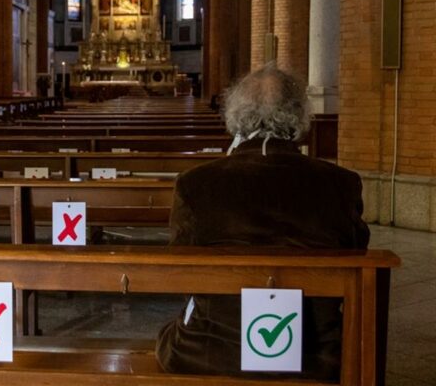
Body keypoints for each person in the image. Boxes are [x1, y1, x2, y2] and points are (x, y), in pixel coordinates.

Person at [155, 63, 369, 381]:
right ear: (299, 115)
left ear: (235, 114)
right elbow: (355, 255)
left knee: (168, 335)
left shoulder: (196, 183)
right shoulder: (341, 183)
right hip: (314, 355)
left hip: (208, 351)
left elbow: (180, 272)